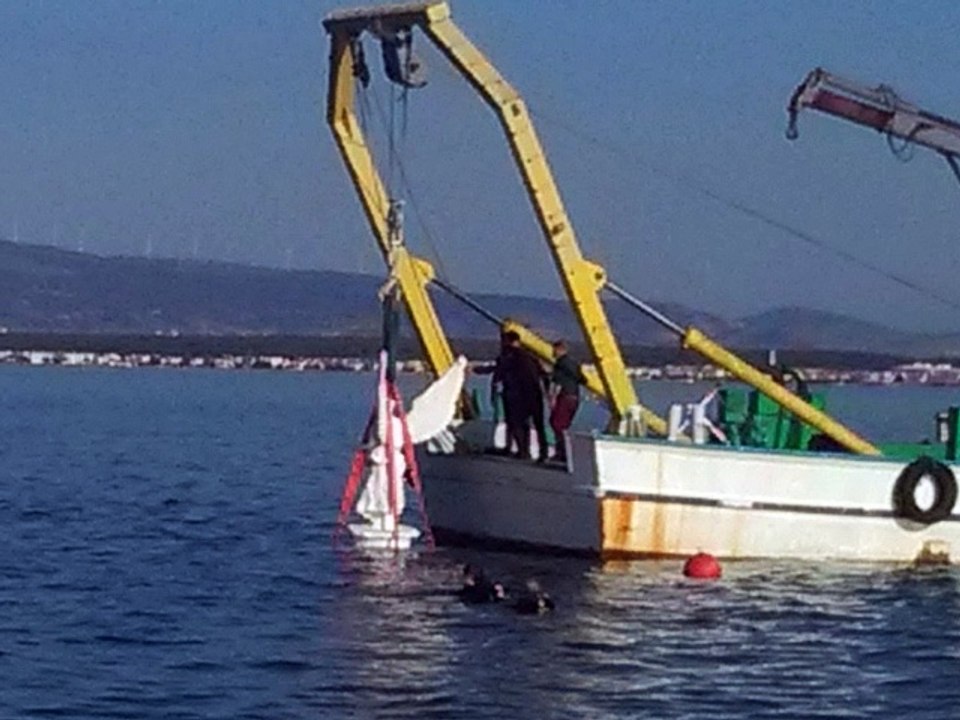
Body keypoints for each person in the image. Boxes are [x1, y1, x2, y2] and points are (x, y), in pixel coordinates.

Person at [497, 331, 547, 461]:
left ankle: (523, 451)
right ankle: (543, 453)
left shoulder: (509, 356)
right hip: (535, 393)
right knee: (538, 425)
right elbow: (543, 374)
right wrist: (547, 392)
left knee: (518, 423)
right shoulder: (531, 357)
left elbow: (500, 372)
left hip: (519, 394)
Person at [548, 340, 586, 462]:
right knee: (564, 425)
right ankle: (564, 451)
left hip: (564, 396)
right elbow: (583, 380)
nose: (552, 352)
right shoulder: (574, 363)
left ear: (559, 350)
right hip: (574, 397)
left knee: (556, 423)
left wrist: (552, 398)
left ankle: (562, 452)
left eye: (554, 350)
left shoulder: (560, 364)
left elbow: (557, 382)